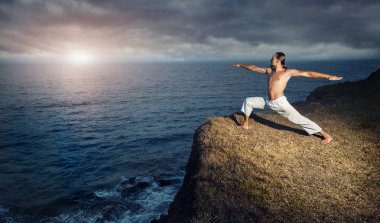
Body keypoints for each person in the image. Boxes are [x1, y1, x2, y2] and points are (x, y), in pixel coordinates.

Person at [233, 52, 343, 144]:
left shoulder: (288, 72)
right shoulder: (270, 71)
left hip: (280, 103)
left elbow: (308, 73)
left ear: (278, 61)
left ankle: (326, 135)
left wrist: (328, 76)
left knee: (300, 119)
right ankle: (245, 124)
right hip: (268, 101)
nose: (271, 59)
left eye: (273, 58)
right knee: (248, 101)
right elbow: (254, 68)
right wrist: (240, 65)